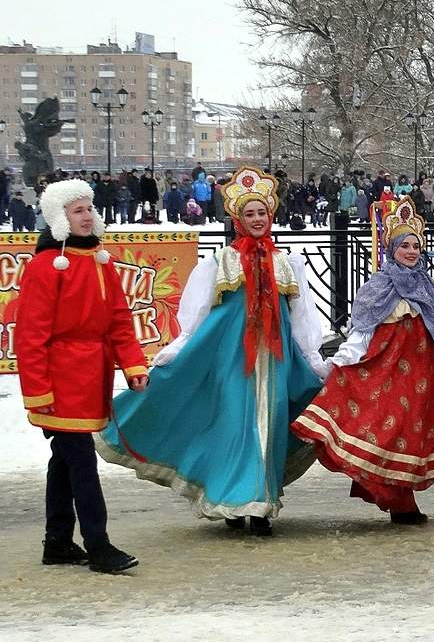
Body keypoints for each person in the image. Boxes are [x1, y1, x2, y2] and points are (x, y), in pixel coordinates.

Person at [96, 168, 328, 535]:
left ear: (271, 215)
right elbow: (196, 316)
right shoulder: (219, 263)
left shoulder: (288, 264)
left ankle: (260, 503)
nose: (256, 220)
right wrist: (177, 352)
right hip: (230, 361)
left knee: (270, 426)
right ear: (237, 218)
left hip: (276, 360)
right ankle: (237, 501)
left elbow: (300, 318)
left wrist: (313, 359)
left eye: (262, 213)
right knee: (236, 424)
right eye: (249, 214)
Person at [293, 196, 434, 524]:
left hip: (423, 376)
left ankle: (402, 502)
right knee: (388, 433)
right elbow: (361, 333)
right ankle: (398, 502)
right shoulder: (377, 289)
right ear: (392, 250)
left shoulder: (430, 287)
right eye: (405, 246)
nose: (412, 251)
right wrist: (341, 363)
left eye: (417, 245)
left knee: (413, 437)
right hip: (387, 375)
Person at [16, 179, 149, 573]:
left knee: (64, 459)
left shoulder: (100, 262)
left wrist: (133, 364)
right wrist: (38, 392)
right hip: (60, 382)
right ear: (60, 218)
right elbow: (30, 336)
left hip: (90, 375)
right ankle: (99, 544)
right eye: (78, 210)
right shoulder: (45, 267)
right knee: (81, 463)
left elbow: (120, 322)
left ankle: (57, 542)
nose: (87, 216)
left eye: (89, 208)